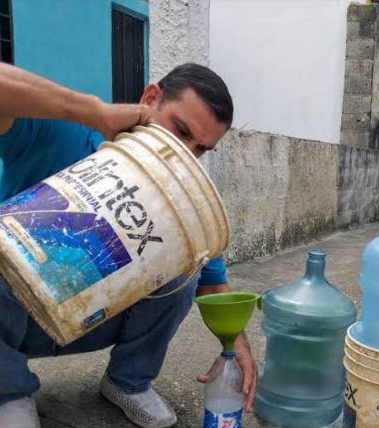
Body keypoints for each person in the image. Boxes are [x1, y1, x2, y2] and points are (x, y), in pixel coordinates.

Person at [0, 63, 257, 428]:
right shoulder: (67, 134)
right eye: (180, 130)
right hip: (13, 317)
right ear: (150, 99)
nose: (184, 153)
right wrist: (94, 111)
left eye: (200, 149)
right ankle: (8, 393)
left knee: (184, 270)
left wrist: (236, 349)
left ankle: (129, 382)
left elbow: (212, 283)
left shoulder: (177, 202)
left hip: (85, 320)